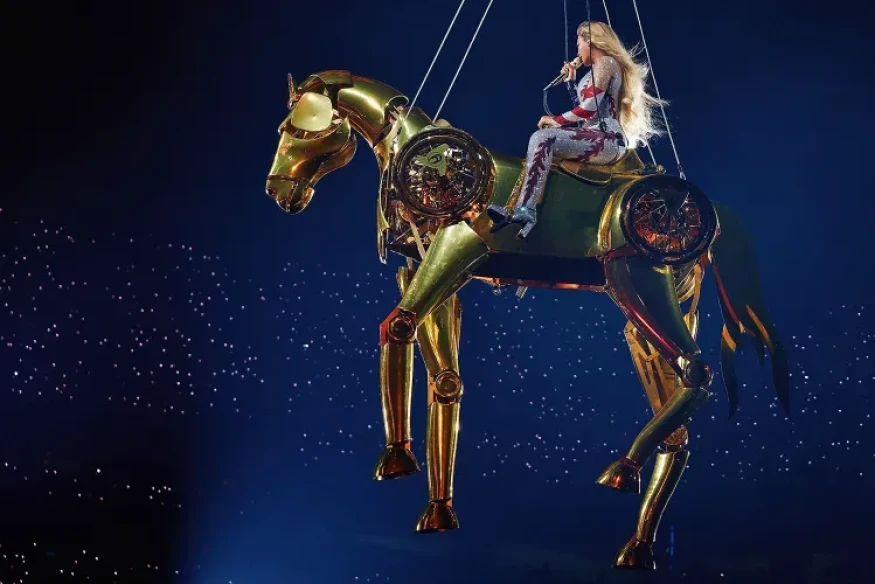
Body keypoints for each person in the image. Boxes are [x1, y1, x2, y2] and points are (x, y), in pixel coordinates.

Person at [487, 21, 664, 239]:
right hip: (596, 136)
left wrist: (557, 120)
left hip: (607, 138)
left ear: (591, 41)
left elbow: (590, 108)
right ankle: (523, 208)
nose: (577, 50)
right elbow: (587, 115)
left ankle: (526, 210)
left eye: (579, 43)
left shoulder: (607, 63)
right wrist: (570, 83)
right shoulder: (593, 72)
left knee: (543, 138)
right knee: (542, 146)